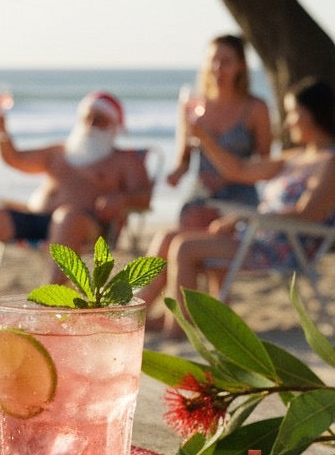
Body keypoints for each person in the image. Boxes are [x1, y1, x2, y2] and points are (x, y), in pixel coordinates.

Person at [143, 78, 335, 336]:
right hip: (257, 236)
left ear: (315, 113)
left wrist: (246, 218)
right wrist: (203, 138)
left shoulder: (329, 163)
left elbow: (308, 214)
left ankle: (178, 328)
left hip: (282, 248)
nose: (287, 122)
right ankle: (136, 313)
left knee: (185, 248)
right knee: (167, 237)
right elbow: (239, 170)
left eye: (292, 113)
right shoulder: (295, 158)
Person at [0, 91, 153, 321]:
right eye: (87, 117)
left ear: (114, 126)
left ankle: (46, 300)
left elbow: (144, 196)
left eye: (99, 119)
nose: (90, 124)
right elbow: (15, 159)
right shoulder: (59, 151)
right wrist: (1, 132)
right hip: (37, 218)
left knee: (66, 217)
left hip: (84, 226)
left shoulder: (124, 161)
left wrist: (122, 200)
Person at [166, 34, 272, 229]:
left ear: (240, 65)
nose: (217, 68)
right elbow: (184, 159)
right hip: (202, 193)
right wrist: (175, 174)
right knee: (188, 228)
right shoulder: (192, 106)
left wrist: (225, 177)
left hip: (240, 193)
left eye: (225, 62)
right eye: (212, 61)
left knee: (210, 237)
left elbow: (264, 163)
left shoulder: (255, 108)